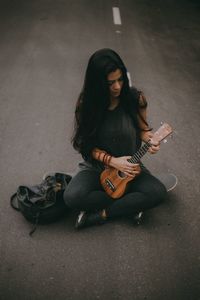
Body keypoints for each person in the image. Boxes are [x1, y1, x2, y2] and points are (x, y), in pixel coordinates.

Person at [64, 48, 167, 229]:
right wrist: (113, 161)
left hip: (130, 168)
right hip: (96, 168)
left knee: (158, 192)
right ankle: (130, 206)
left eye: (120, 80)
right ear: (98, 83)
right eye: (110, 83)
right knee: (72, 197)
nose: (118, 87)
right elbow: (85, 145)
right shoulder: (86, 105)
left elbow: (143, 130)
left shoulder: (136, 99)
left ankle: (103, 214)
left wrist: (151, 141)